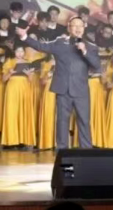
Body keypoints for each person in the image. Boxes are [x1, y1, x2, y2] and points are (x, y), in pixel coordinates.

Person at [16, 17, 101, 149]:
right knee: (62, 121)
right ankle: (62, 151)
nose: (77, 28)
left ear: (84, 28)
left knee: (84, 121)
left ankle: (86, 151)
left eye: (80, 25)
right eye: (74, 25)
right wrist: (24, 37)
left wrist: (84, 51)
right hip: (63, 89)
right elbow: (42, 46)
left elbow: (96, 65)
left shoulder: (91, 47)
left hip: (81, 90)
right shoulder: (60, 43)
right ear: (69, 28)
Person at [1, 45, 36, 149]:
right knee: (12, 112)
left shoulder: (28, 62)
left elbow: (31, 80)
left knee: (24, 111)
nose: (20, 53)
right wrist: (9, 73)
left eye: (21, 51)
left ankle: (23, 140)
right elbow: (3, 79)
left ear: (24, 52)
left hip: (24, 87)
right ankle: (11, 141)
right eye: (18, 51)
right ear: (14, 52)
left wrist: (29, 74)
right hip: (12, 87)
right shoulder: (9, 62)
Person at [36, 54, 57, 150]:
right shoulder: (45, 64)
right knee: (48, 115)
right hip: (49, 91)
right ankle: (47, 143)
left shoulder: (65, 62)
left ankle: (60, 143)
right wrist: (47, 76)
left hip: (62, 89)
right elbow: (42, 82)